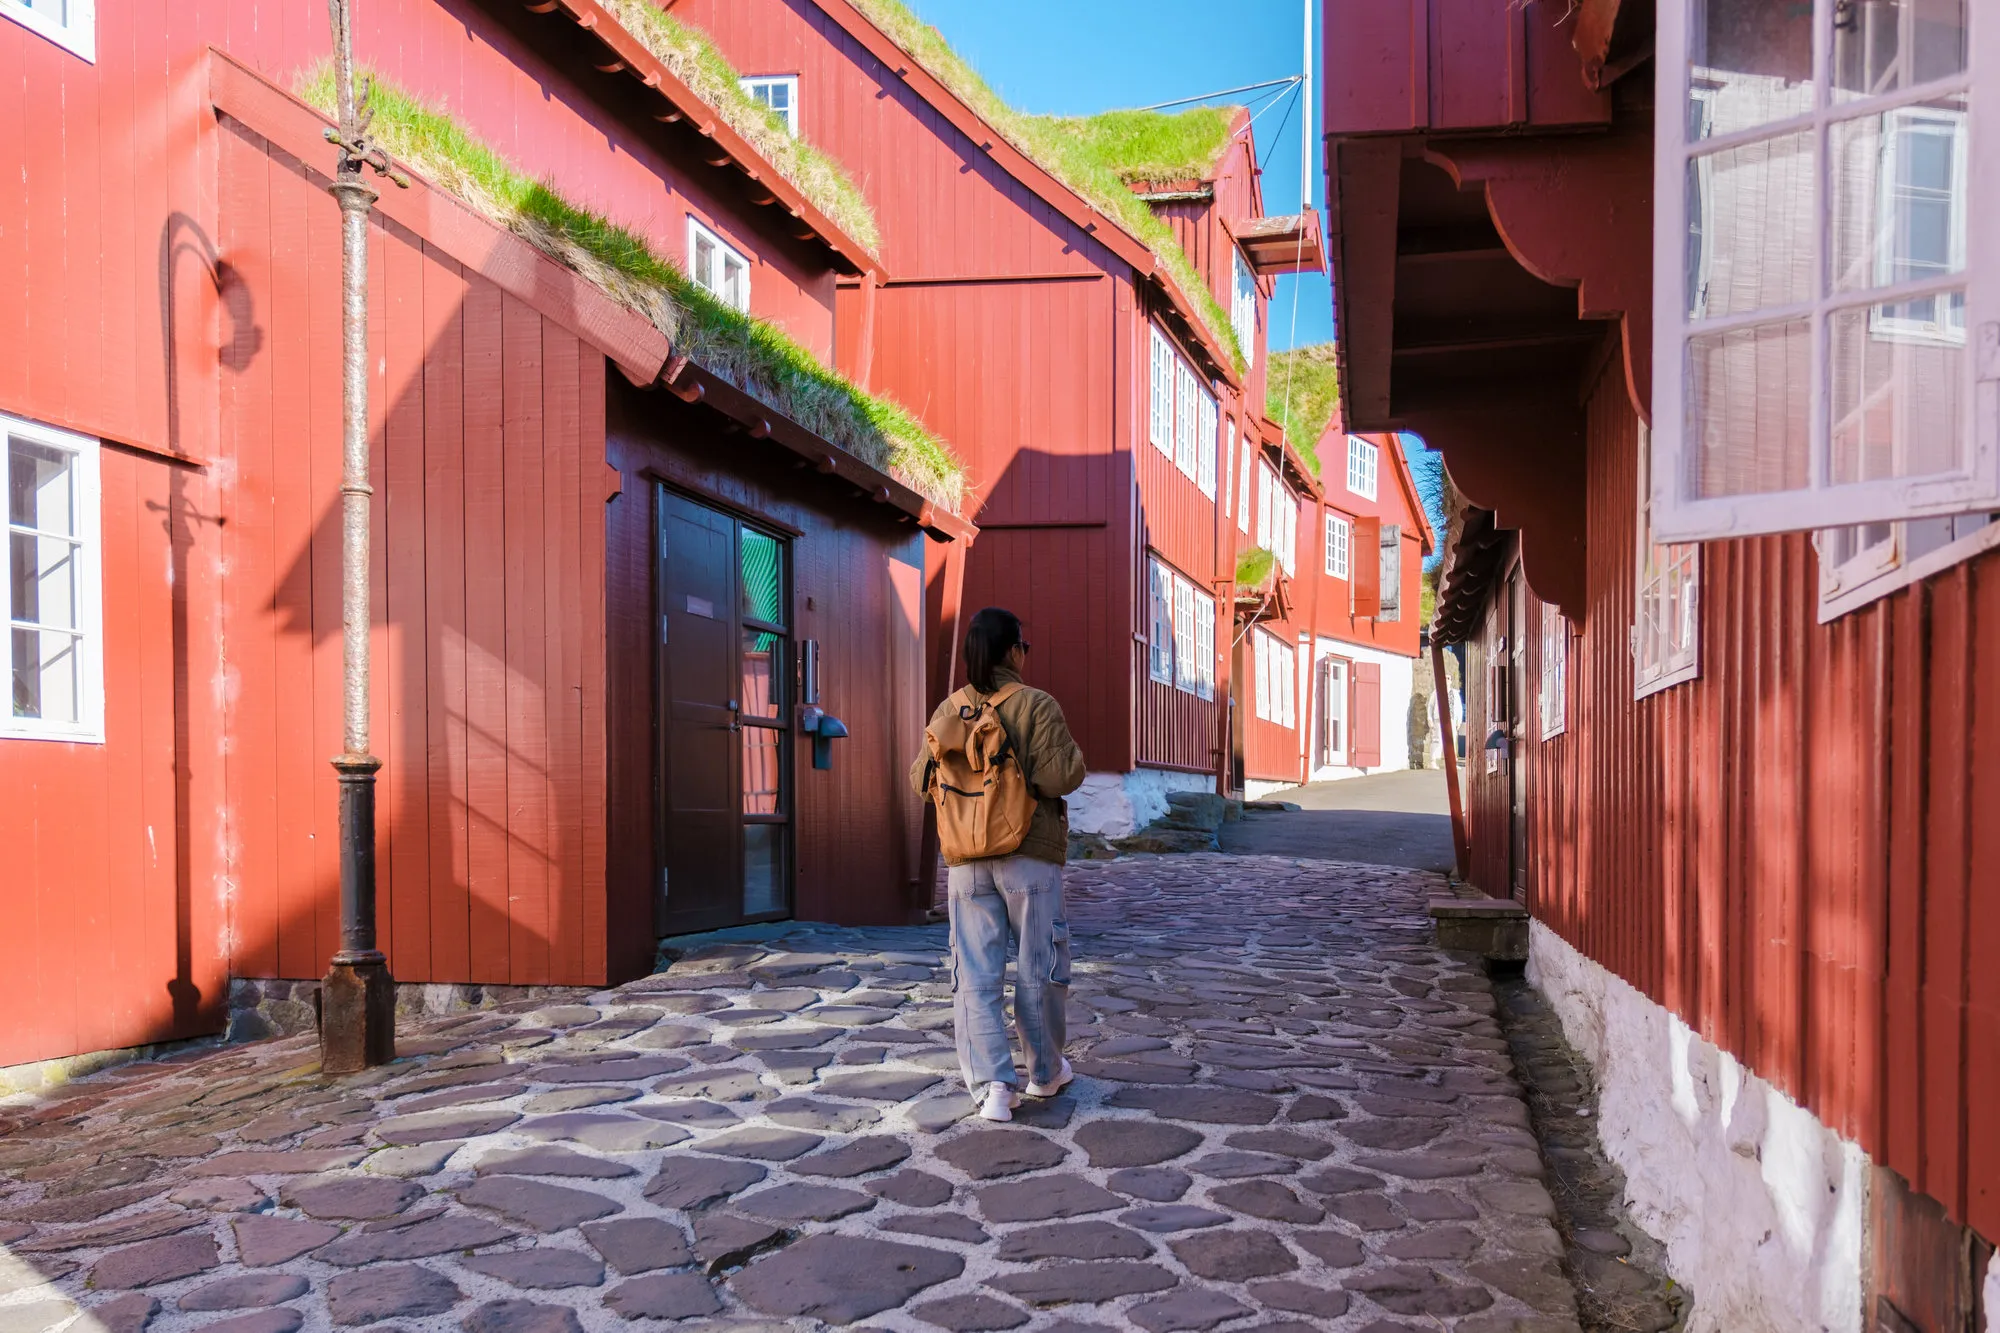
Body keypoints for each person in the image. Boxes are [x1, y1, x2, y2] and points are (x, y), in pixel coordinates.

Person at [910, 607, 1086, 1121]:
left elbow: (919, 781)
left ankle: (993, 1089)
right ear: (1014, 651)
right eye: (1024, 647)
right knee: (1039, 968)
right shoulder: (1036, 705)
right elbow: (1060, 777)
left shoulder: (949, 710)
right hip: (1027, 856)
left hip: (966, 861)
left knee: (975, 974)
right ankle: (1045, 1073)